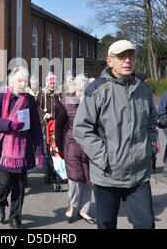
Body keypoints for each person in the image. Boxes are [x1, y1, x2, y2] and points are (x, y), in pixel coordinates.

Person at [73, 39, 158, 229]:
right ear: (109, 61)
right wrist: (104, 158)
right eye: (121, 57)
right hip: (107, 175)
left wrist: (150, 148)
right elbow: (81, 129)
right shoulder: (96, 90)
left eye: (130, 56)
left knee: (146, 224)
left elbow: (152, 122)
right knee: (107, 224)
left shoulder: (143, 90)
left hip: (138, 174)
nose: (127, 61)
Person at [0, 66, 44, 229]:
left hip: (23, 151)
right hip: (4, 150)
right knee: (3, 184)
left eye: (26, 81)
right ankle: (1, 204)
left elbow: (36, 128)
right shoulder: (0, 96)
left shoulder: (30, 100)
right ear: (12, 81)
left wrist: (39, 152)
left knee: (19, 187)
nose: (23, 84)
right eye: (20, 80)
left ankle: (15, 218)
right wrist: (10, 124)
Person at [55, 74, 96, 224]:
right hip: (71, 144)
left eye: (84, 90)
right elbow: (59, 127)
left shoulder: (91, 102)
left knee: (88, 178)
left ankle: (84, 210)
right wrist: (59, 147)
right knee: (73, 177)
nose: (82, 93)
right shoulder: (65, 102)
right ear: (74, 89)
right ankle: (72, 205)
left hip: (89, 145)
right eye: (80, 90)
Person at [36, 71, 61, 183]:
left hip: (55, 127)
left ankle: (57, 173)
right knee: (46, 151)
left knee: (55, 150)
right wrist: (44, 114)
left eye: (54, 83)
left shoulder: (57, 95)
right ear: (47, 84)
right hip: (45, 126)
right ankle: (48, 174)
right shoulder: (41, 95)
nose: (52, 85)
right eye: (50, 83)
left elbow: (61, 109)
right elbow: (37, 107)